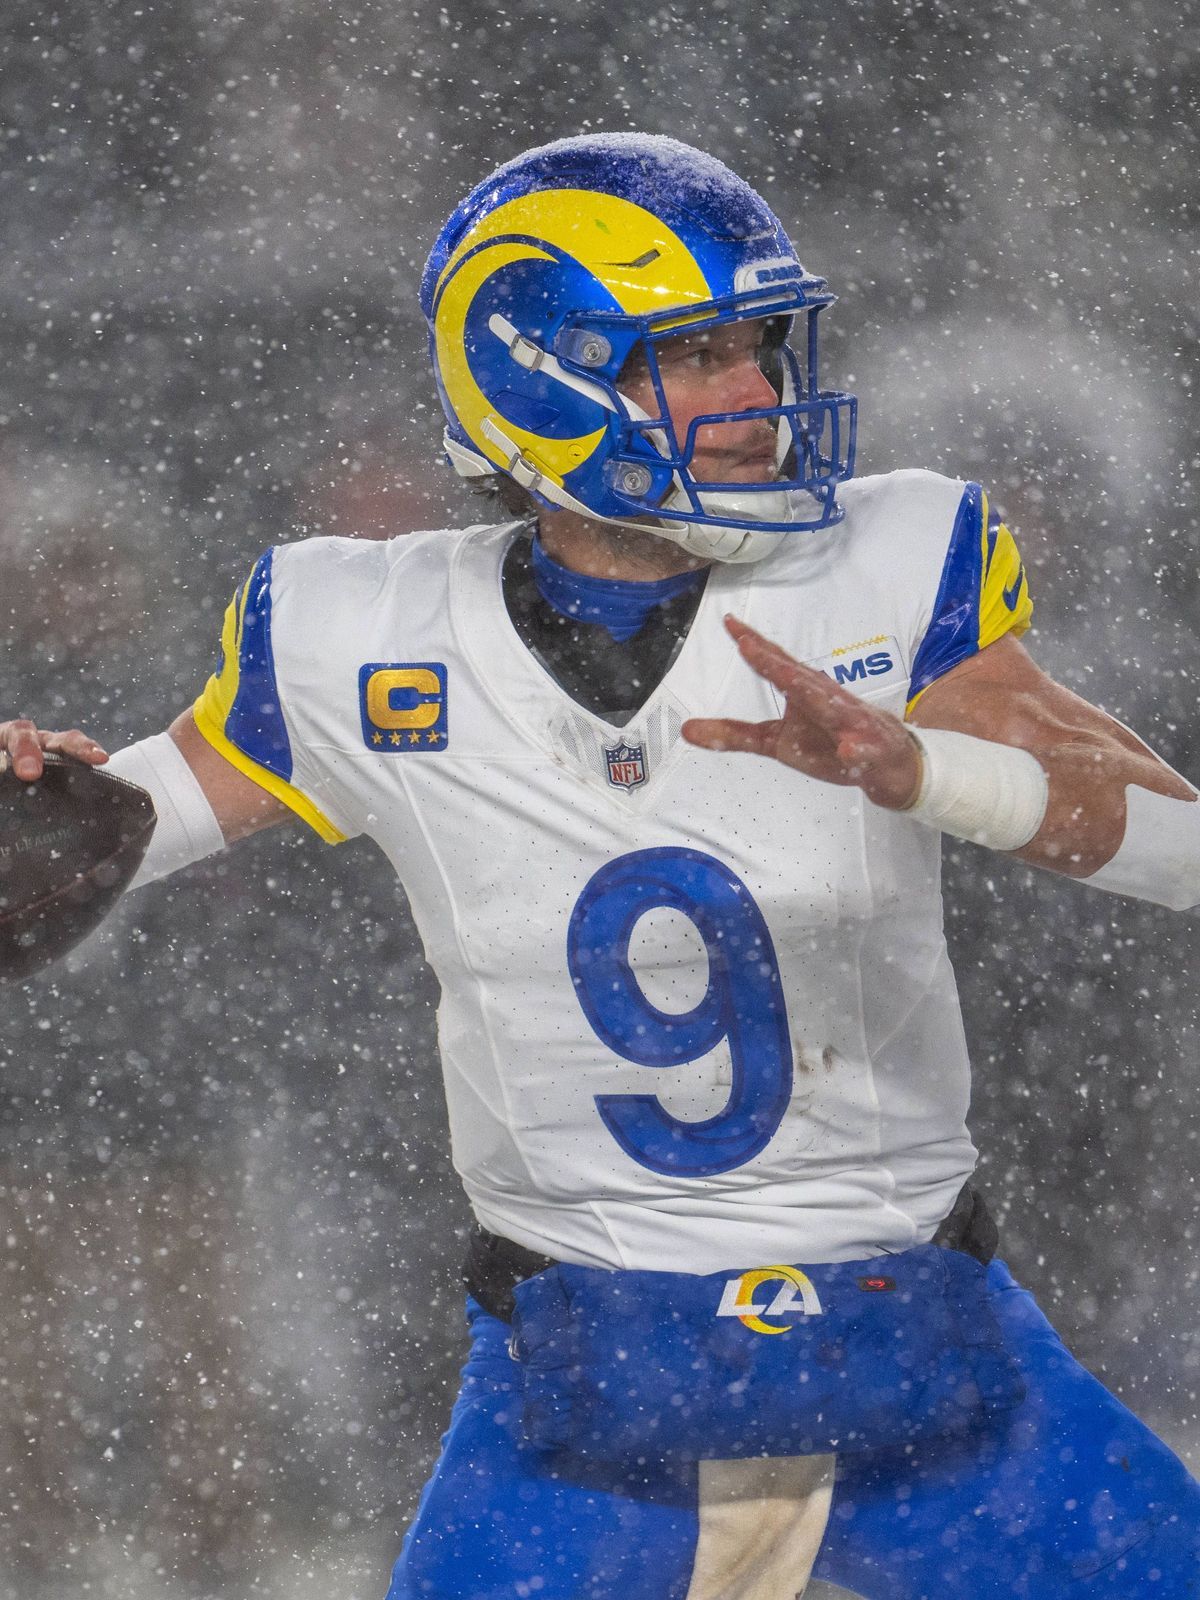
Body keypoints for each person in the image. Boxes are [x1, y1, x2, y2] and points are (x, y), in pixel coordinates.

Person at [5, 134, 1199, 1598]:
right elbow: (84, 857)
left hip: (922, 1345)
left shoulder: (890, 565)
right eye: (695, 358)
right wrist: (39, 809)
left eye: (760, 348)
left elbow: (1185, 851)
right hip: (580, 1391)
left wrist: (923, 772)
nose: (760, 395)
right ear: (538, 378)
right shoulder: (359, 630)